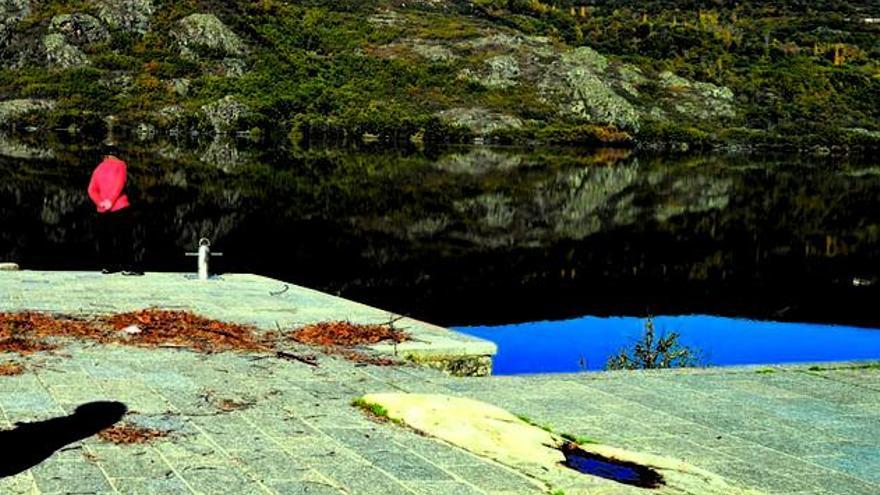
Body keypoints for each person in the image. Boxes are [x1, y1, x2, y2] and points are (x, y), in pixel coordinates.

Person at [88, 154, 142, 275]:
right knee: (125, 238)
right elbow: (120, 183)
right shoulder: (121, 164)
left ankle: (107, 267)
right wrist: (111, 201)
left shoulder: (98, 168)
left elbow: (91, 190)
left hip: (102, 209)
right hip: (120, 206)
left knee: (105, 239)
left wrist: (100, 202)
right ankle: (127, 267)